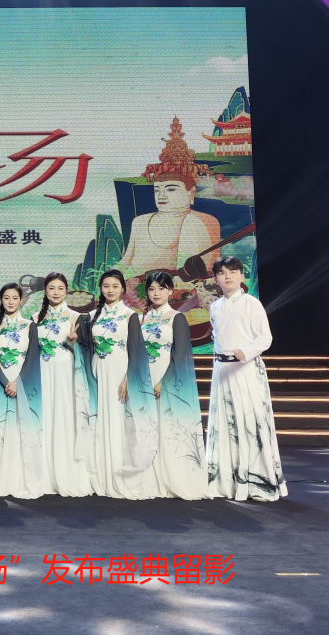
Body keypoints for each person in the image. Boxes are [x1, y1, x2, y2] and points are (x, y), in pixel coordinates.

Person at [205, 256, 287, 501]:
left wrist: (246, 352)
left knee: (251, 424)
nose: (227, 276)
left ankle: (259, 484)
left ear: (242, 276)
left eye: (232, 271)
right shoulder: (215, 306)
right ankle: (225, 483)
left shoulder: (252, 303)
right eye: (222, 272)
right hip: (222, 370)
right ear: (216, 278)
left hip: (245, 369)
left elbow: (265, 338)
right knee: (223, 426)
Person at [76, 269, 162, 499]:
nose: (110, 290)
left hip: (120, 373)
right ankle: (100, 475)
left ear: (123, 288)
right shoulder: (91, 316)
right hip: (97, 372)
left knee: (119, 421)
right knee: (99, 420)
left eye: (115, 286)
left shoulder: (129, 315)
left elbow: (137, 350)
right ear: (100, 288)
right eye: (106, 286)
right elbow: (85, 347)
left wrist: (127, 379)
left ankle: (118, 474)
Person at [120, 118, 221, 275]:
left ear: (191, 193)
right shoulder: (140, 222)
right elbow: (125, 262)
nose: (162, 196)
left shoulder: (199, 221)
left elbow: (194, 273)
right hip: (133, 286)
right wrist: (111, 275)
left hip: (173, 288)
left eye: (171, 189)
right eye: (157, 190)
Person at [140, 271, 208, 499]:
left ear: (170, 291)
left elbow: (180, 354)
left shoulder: (177, 317)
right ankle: (151, 477)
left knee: (168, 428)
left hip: (166, 376)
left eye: (161, 288)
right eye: (151, 289)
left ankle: (173, 478)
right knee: (148, 429)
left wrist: (163, 381)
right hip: (144, 377)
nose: (156, 293)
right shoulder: (142, 319)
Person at [0, 283, 44, 499]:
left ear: (20, 301)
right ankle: (1, 479)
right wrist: (5, 381)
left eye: (14, 298)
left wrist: (18, 381)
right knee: (1, 432)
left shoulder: (29, 326)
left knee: (22, 429)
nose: (10, 302)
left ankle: (23, 479)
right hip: (0, 384)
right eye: (6, 298)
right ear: (1, 300)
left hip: (22, 383)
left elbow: (33, 357)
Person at [34, 272, 93, 497]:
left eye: (60, 288)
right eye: (51, 288)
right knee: (45, 420)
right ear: (45, 291)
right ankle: (45, 475)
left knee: (65, 419)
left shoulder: (76, 317)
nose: (56, 292)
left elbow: (86, 352)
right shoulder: (35, 318)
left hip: (66, 373)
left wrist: (73, 343)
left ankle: (67, 473)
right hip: (43, 374)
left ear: (66, 290)